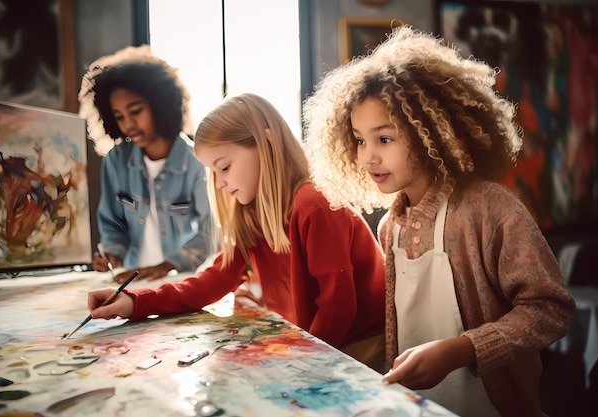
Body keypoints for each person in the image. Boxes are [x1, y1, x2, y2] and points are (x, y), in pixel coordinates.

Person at [302, 25, 575, 417]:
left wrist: (461, 350)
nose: (367, 157)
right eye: (359, 140)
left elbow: (551, 309)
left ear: (432, 130)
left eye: (384, 138)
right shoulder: (389, 227)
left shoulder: (490, 209)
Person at [87, 93, 387, 372]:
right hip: (310, 341)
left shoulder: (315, 206)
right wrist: (133, 302)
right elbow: (212, 280)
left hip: (356, 346)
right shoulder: (252, 212)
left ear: (267, 144)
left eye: (224, 167)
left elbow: (338, 307)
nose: (218, 183)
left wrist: (302, 358)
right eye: (212, 172)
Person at [78, 45, 211, 283]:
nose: (128, 124)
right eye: (119, 116)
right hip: (130, 282)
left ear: (160, 103)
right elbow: (112, 223)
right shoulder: (116, 161)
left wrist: (170, 264)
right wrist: (112, 253)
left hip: (181, 282)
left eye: (136, 111)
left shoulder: (197, 161)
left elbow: (210, 232)